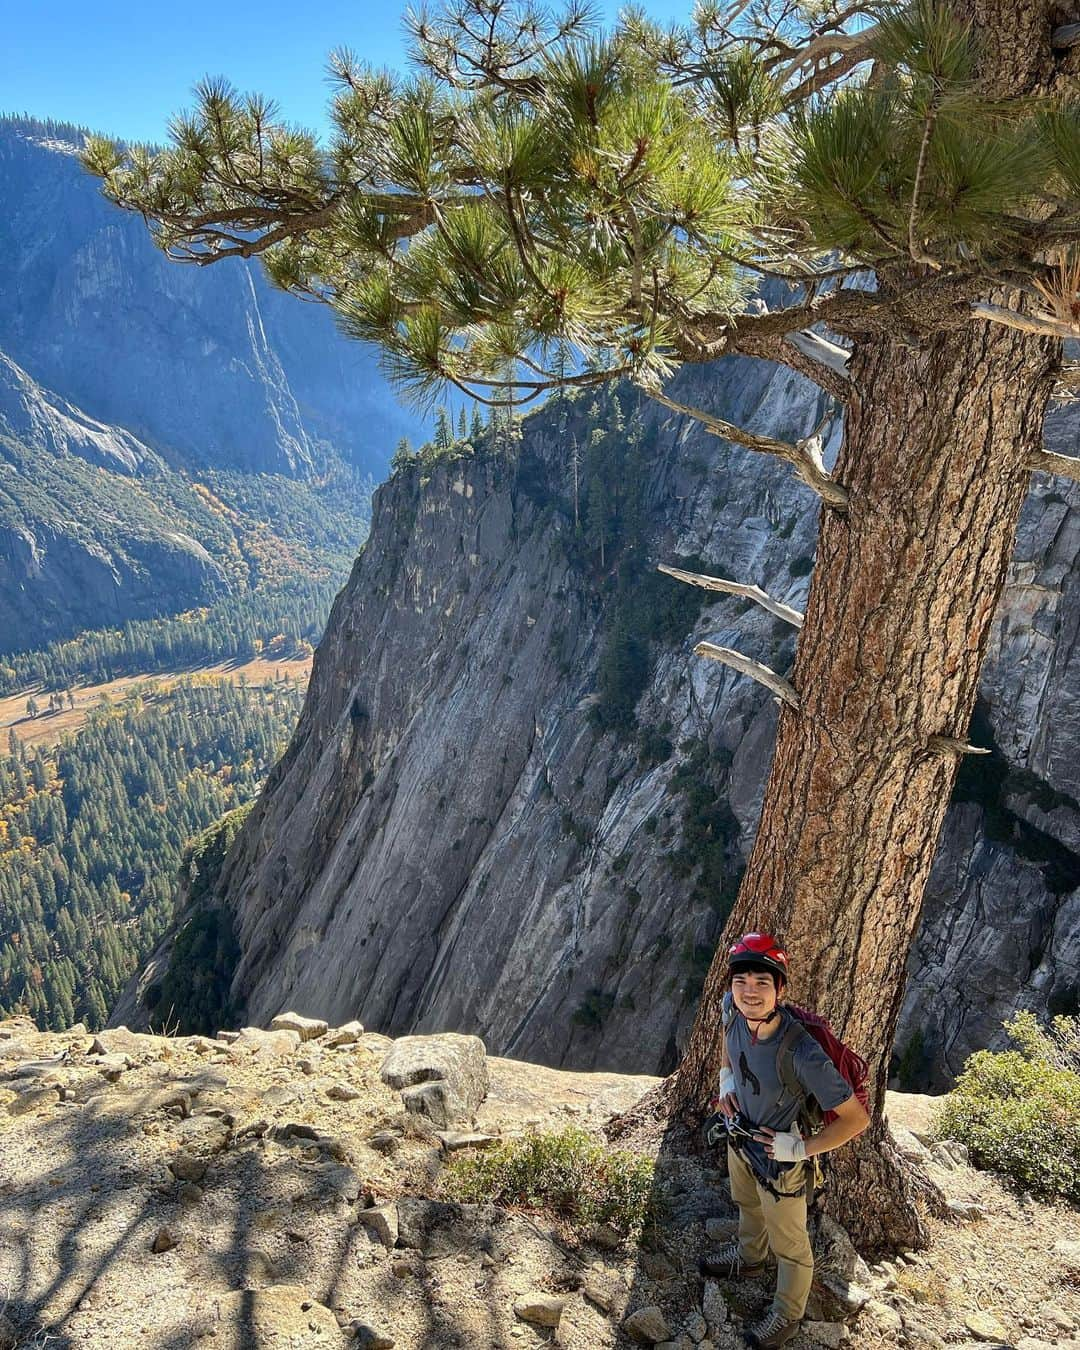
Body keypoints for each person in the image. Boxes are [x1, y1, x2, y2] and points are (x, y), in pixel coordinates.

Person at [702, 932, 870, 1350]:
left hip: (781, 1160)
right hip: (741, 1136)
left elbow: (856, 1119)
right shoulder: (731, 1011)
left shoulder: (801, 1051)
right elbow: (728, 1046)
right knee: (746, 1203)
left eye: (763, 982)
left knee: (791, 1245)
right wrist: (726, 1082)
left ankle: (787, 1314)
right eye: (741, 981)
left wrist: (801, 1149)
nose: (750, 992)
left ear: (781, 989)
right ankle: (750, 1258)